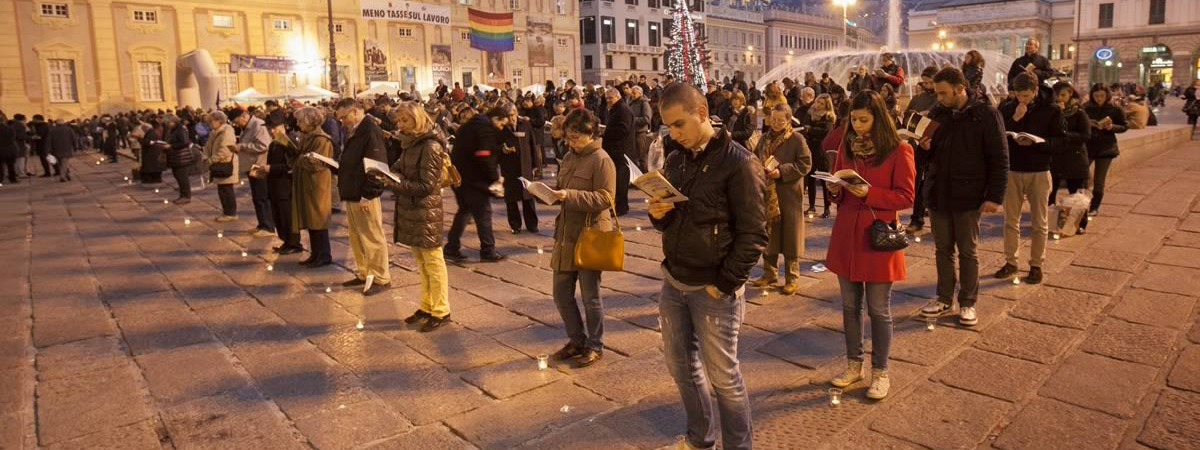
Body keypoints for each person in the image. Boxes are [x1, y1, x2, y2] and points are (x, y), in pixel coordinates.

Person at [649, 82, 766, 450]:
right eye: (668, 127)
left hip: (714, 288)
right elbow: (672, 219)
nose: (674, 134)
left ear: (702, 114)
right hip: (675, 279)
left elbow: (754, 233)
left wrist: (725, 283)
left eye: (679, 124)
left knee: (724, 378)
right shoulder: (676, 159)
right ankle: (700, 438)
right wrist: (658, 215)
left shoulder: (739, 161)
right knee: (681, 367)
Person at [825, 90, 915, 400]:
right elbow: (839, 194)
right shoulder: (845, 148)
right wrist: (834, 189)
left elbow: (906, 196)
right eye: (854, 119)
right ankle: (854, 365)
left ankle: (881, 372)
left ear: (879, 119)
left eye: (864, 120)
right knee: (850, 308)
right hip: (847, 237)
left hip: (877, 238)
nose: (858, 126)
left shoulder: (899, 150)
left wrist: (870, 193)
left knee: (879, 310)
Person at [920, 68, 1008, 327]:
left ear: (960, 88)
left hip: (968, 194)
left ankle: (968, 302)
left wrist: (994, 195)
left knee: (967, 251)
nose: (939, 98)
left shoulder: (985, 115)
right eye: (937, 93)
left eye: (943, 93)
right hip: (939, 192)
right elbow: (926, 155)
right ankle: (944, 297)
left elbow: (999, 157)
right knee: (942, 249)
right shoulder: (938, 113)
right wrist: (921, 148)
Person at [545, 108, 617, 368]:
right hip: (566, 233)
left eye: (576, 137)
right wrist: (549, 194)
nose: (571, 142)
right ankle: (576, 340)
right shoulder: (567, 157)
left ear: (591, 133)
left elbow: (607, 198)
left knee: (590, 296)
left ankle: (595, 345)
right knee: (561, 294)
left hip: (591, 233)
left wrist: (570, 196)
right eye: (568, 137)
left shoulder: (602, 159)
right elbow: (561, 189)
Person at [372, 102, 452, 332]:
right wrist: (387, 175)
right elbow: (398, 167)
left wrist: (396, 184)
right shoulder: (409, 142)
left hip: (427, 210)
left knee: (433, 262)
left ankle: (441, 309)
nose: (400, 125)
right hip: (411, 208)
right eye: (398, 121)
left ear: (417, 119)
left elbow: (427, 185)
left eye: (405, 120)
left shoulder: (430, 146)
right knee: (421, 261)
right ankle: (426, 305)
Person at [994, 73, 1064, 285]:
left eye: (1026, 95)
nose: (1021, 100)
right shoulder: (1006, 108)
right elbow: (995, 135)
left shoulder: (1051, 109)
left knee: (1039, 222)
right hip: (1013, 170)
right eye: (1018, 95)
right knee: (1010, 221)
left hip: (1039, 170)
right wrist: (1014, 119)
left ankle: (1036, 265)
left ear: (1034, 91)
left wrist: (1037, 144)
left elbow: (1060, 141)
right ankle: (1011, 262)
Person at [750, 103, 812, 295]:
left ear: (788, 120)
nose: (776, 123)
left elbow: (805, 164)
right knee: (769, 234)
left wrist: (782, 172)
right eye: (773, 119)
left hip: (788, 194)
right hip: (768, 195)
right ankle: (770, 273)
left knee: (790, 236)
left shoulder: (796, 138)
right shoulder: (764, 139)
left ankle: (792, 277)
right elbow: (754, 158)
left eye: (780, 120)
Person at [334, 98, 392, 295]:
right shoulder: (357, 129)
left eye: (344, 117)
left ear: (355, 112)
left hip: (363, 193)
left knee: (372, 235)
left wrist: (369, 194)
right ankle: (364, 272)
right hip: (352, 191)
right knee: (357, 235)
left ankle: (381, 277)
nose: (342, 122)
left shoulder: (369, 130)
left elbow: (377, 165)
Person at [445, 106, 508, 262]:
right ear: (495, 119)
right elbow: (484, 155)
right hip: (474, 180)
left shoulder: (469, 125)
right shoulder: (484, 129)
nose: (502, 128)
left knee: (465, 211)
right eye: (502, 124)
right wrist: (495, 177)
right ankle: (488, 251)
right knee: (483, 214)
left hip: (459, 177)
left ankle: (451, 247)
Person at [290, 106, 334, 267]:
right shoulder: (308, 136)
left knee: (318, 220)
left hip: (317, 185)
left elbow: (316, 163)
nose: (298, 124)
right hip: (307, 183)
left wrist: (299, 158)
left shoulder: (321, 139)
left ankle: (323, 254)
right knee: (311, 220)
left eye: (300, 121)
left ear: (310, 121)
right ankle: (315, 253)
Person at [1048, 82, 1092, 232]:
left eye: (1063, 95)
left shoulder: (1079, 112)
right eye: (1057, 95)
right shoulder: (1053, 112)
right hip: (1056, 158)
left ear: (1070, 94)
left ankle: (1080, 224)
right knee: (1049, 192)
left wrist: (1066, 135)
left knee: (1077, 195)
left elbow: (1086, 135)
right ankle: (1050, 221)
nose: (1059, 98)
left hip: (1075, 158)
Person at [904, 66, 941, 233]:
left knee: (935, 184)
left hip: (937, 145)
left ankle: (937, 221)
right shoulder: (919, 97)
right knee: (918, 184)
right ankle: (916, 219)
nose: (927, 85)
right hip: (919, 145)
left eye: (930, 82)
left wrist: (929, 113)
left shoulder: (941, 99)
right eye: (924, 82)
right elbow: (907, 113)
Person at [262, 111, 303, 255]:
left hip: (285, 185)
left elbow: (292, 164)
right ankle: (286, 241)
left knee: (287, 216)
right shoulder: (275, 142)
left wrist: (271, 168)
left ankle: (294, 243)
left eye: (275, 127)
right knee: (278, 216)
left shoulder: (288, 140)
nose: (272, 131)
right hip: (274, 184)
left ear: (283, 126)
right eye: (269, 128)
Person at [1083, 83, 1127, 217]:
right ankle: (1081, 203)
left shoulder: (1115, 109)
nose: (1099, 98)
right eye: (1096, 96)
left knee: (1099, 179)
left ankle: (1094, 207)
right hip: (1089, 145)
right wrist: (1088, 123)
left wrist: (1111, 127)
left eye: (1102, 95)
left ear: (1107, 95)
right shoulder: (1086, 107)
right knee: (1082, 173)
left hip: (1106, 147)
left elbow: (1124, 126)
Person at [231, 108, 275, 238]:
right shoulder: (248, 127)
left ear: (244, 116)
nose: (236, 124)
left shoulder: (258, 125)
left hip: (259, 165)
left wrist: (242, 146)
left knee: (262, 197)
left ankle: (268, 226)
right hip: (252, 165)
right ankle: (262, 224)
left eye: (236, 121)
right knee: (256, 197)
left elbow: (263, 145)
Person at [499, 104, 539, 234]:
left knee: (528, 197)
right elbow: (495, 145)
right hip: (509, 168)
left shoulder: (525, 125)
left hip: (525, 166)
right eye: (508, 116)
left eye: (512, 115)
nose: (511, 119)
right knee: (511, 199)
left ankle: (532, 225)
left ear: (516, 113)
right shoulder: (501, 128)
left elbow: (532, 144)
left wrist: (535, 164)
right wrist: (502, 149)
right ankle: (515, 225)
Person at [602, 87, 635, 216]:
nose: (608, 101)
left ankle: (621, 207)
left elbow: (623, 129)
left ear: (617, 96)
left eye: (610, 98)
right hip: (616, 149)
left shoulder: (622, 110)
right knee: (616, 179)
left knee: (621, 179)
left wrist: (606, 132)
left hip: (621, 149)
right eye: (606, 99)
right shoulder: (617, 109)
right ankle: (618, 205)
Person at [203, 112, 239, 222]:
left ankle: (230, 213)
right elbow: (208, 146)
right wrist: (206, 156)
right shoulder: (215, 132)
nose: (210, 124)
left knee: (227, 189)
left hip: (225, 163)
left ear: (219, 120)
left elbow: (225, 150)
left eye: (211, 121)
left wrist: (212, 160)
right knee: (222, 189)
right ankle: (226, 211)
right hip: (218, 163)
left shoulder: (226, 131)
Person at [804, 93, 836, 218]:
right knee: (810, 178)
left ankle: (827, 207)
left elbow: (825, 132)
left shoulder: (828, 117)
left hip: (822, 151)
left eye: (821, 103)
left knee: (824, 180)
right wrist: (810, 131)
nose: (818, 105)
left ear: (827, 106)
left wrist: (811, 130)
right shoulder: (810, 114)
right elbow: (804, 127)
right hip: (810, 149)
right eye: (817, 102)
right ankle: (811, 206)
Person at [163, 115, 195, 205]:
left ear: (174, 122)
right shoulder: (174, 129)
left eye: (169, 122)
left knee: (182, 177)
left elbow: (184, 142)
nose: (168, 124)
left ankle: (186, 196)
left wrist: (171, 146)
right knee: (178, 176)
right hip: (176, 157)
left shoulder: (181, 129)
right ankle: (182, 195)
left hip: (181, 157)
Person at [630, 86, 654, 170]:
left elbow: (647, 118)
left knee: (642, 156)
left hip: (640, 133)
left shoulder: (644, 103)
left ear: (640, 93)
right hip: (633, 132)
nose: (632, 95)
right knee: (634, 156)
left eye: (634, 93)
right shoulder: (631, 103)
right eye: (632, 93)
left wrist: (633, 120)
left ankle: (645, 175)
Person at [0, 112, 17, 183]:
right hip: (10, 149)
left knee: (0, 167)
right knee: (11, 166)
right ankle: (12, 179)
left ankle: (0, 180)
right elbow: (13, 137)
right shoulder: (10, 128)